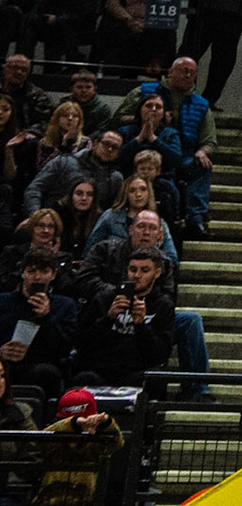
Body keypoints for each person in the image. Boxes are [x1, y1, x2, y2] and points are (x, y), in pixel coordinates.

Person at [109, 59, 215, 238]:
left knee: (201, 165)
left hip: (179, 152)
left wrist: (203, 150)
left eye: (192, 72)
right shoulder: (143, 91)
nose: (188, 75)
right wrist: (145, 123)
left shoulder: (202, 104)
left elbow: (209, 140)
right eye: (183, 70)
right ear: (170, 71)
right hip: (136, 151)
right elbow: (117, 118)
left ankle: (195, 218)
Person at [70, 245, 173, 387]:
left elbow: (159, 354)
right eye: (133, 269)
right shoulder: (105, 298)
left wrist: (141, 325)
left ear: (157, 273)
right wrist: (108, 318)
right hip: (100, 369)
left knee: (153, 380)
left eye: (144, 270)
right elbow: (82, 343)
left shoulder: (162, 305)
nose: (137, 275)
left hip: (137, 370)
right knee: (84, 378)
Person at [0, 247, 77, 397]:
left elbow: (64, 348)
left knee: (48, 373)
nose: (37, 277)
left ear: (53, 274)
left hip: (42, 365)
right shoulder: (2, 302)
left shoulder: (65, 305)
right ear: (22, 273)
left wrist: (46, 318)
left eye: (43, 272)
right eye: (31, 271)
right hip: (5, 364)